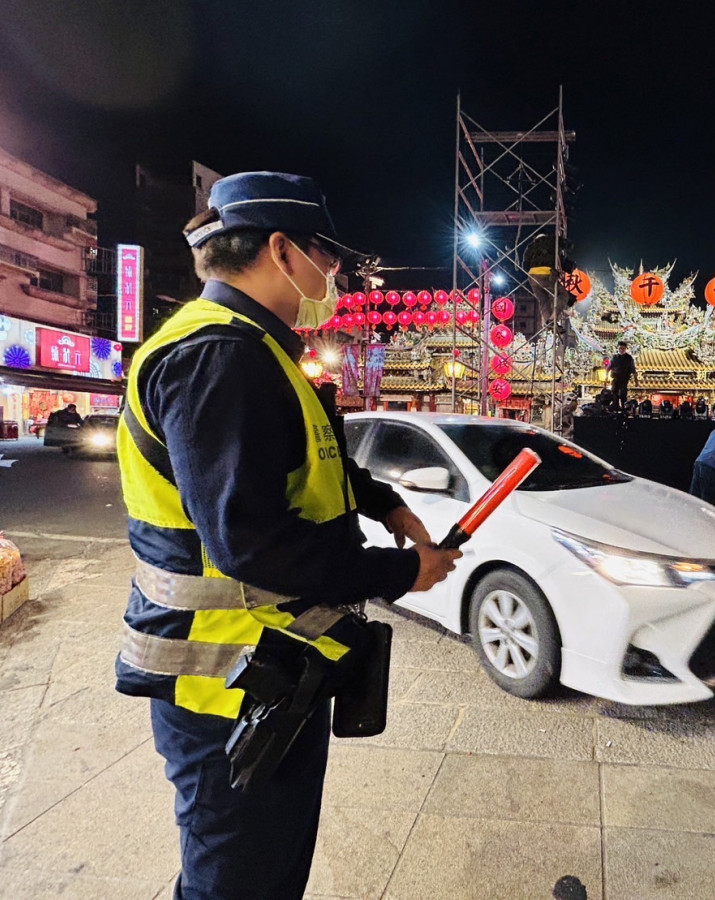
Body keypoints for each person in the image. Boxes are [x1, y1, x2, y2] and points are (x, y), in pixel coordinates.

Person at [113, 171, 462, 898]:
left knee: (265, 876)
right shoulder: (219, 355)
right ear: (280, 250)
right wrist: (403, 575)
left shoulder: (258, 349)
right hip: (224, 687)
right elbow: (254, 543)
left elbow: (306, 465)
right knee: (236, 884)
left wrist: (385, 504)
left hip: (269, 672)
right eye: (325, 254)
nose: (332, 273)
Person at [606, 341, 638, 411]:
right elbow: (608, 368)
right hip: (615, 378)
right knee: (614, 393)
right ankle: (615, 407)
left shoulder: (629, 358)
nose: (621, 350)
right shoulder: (615, 357)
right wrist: (606, 378)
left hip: (624, 379)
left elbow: (633, 370)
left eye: (623, 348)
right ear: (618, 348)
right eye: (620, 348)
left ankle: (624, 408)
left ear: (626, 349)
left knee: (623, 394)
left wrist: (636, 381)